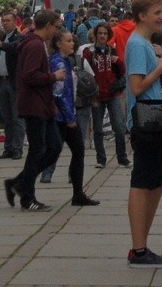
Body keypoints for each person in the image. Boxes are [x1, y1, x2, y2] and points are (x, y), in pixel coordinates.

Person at [125, 0, 162, 269]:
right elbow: (136, 87)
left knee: (157, 182)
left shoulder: (143, 43)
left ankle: (142, 244)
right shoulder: (137, 44)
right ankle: (139, 249)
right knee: (143, 183)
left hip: (153, 122)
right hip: (145, 121)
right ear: (142, 15)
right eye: (157, 13)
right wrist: (161, 68)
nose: (161, 17)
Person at [4, 9, 64, 212]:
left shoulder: (34, 43)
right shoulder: (35, 45)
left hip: (43, 105)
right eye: (56, 27)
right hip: (34, 104)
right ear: (47, 26)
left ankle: (19, 182)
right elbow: (30, 76)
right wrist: (53, 77)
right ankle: (27, 197)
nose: (57, 31)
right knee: (38, 150)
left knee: (54, 146)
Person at [41, 29, 98, 206]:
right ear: (59, 44)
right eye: (68, 41)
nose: (72, 43)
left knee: (77, 151)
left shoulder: (65, 61)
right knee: (54, 153)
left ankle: (78, 193)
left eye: (72, 41)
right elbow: (59, 93)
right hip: (62, 117)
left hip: (66, 114)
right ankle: (24, 181)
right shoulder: (58, 63)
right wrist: (69, 117)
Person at [84, 22, 130, 168]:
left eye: (105, 34)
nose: (102, 36)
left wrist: (118, 61)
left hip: (112, 93)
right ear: (96, 35)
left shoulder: (112, 50)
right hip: (97, 95)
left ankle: (122, 157)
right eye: (100, 33)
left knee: (119, 126)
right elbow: (86, 74)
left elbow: (122, 70)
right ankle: (101, 158)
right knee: (98, 129)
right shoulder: (89, 52)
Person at [0, 11, 25, 160]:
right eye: (3, 21)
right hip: (3, 81)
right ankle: (8, 147)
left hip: (14, 82)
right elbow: (3, 60)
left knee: (17, 117)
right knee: (6, 118)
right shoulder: (3, 39)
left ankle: (18, 147)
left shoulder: (18, 38)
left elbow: (15, 48)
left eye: (8, 21)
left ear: (14, 22)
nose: (5, 23)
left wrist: (2, 45)